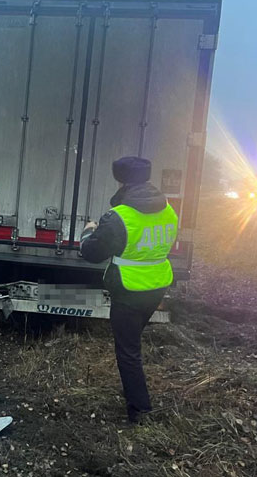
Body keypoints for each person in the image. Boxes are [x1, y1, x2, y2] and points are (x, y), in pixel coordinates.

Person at [79, 156, 178, 424]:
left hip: (129, 290)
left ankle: (140, 410)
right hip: (157, 288)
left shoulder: (118, 217)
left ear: (120, 180)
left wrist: (88, 232)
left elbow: (92, 253)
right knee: (132, 345)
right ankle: (137, 400)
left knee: (128, 351)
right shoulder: (168, 209)